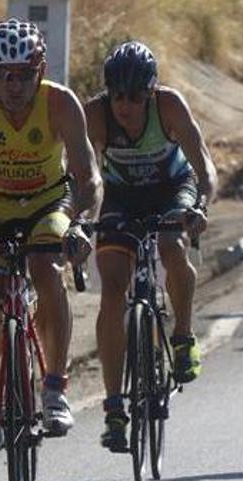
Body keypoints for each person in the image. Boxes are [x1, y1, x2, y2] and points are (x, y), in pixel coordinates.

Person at [0, 19, 102, 456]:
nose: (15, 85)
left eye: (25, 74)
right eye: (5, 75)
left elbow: (88, 175)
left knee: (45, 267)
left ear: (41, 70)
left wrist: (81, 222)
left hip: (47, 205)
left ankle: (55, 387)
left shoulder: (60, 103)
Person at [84, 41, 217, 452]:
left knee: (172, 246)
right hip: (120, 197)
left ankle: (182, 336)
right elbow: (82, 173)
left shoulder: (169, 107)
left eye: (135, 97)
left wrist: (200, 205)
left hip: (172, 190)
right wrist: (80, 218)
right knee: (111, 287)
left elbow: (204, 165)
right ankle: (113, 408)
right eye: (118, 95)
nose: (125, 105)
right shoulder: (96, 115)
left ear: (151, 92)